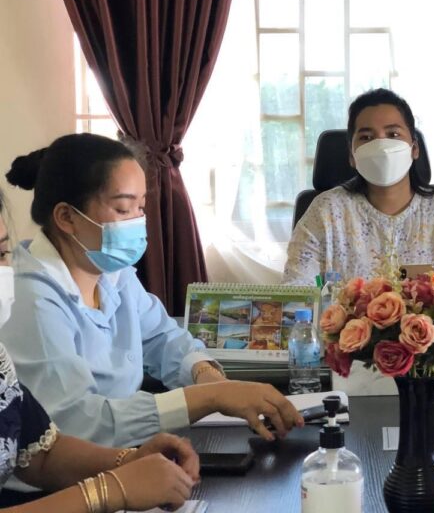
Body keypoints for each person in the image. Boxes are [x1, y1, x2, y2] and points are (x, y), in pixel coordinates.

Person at [1, 134, 302, 449]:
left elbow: (164, 338)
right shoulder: (31, 299)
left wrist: (205, 375)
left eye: (141, 207)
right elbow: (77, 423)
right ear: (66, 217)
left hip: (126, 454)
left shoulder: (111, 273)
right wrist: (210, 397)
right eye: (123, 209)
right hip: (74, 468)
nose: (138, 222)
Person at [0, 188, 199, 511]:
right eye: (123, 208)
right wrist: (111, 489)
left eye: (1, 254)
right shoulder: (36, 300)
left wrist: (129, 460)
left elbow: (40, 454)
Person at [283, 88, 434, 303]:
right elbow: (294, 296)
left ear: (414, 148)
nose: (381, 146)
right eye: (366, 137)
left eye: (393, 135)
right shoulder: (325, 212)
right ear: (351, 155)